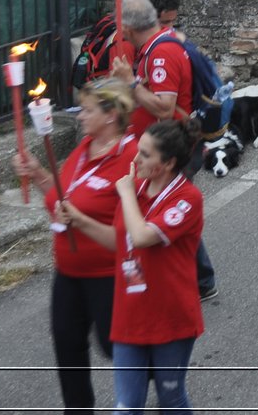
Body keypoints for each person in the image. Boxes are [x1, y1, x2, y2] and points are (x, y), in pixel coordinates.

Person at [14, 78, 139, 415]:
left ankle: (157, 376)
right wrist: (40, 175)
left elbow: (128, 234)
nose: (79, 116)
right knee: (67, 342)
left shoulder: (130, 158)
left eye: (86, 110)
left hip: (109, 274)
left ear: (111, 114)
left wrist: (80, 220)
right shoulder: (83, 150)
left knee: (115, 348)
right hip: (68, 271)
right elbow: (62, 200)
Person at [110, 117, 206, 414]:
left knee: (171, 399)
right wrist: (76, 221)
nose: (135, 159)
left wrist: (125, 194)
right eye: (138, 150)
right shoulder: (136, 190)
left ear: (167, 163)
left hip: (171, 318)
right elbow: (117, 239)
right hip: (130, 315)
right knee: (127, 406)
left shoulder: (187, 198)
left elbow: (140, 236)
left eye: (145, 154)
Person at [141, 0, 219, 302]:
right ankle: (194, 279)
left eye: (172, 23)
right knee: (166, 208)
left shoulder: (166, 49)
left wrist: (133, 87)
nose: (168, 29)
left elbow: (164, 105)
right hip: (175, 139)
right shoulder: (170, 44)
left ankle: (200, 280)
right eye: (164, 22)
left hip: (178, 142)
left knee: (170, 210)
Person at [111, 0, 191, 142]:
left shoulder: (162, 53)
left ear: (127, 29)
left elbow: (165, 110)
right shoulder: (155, 47)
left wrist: (130, 81)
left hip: (167, 149)